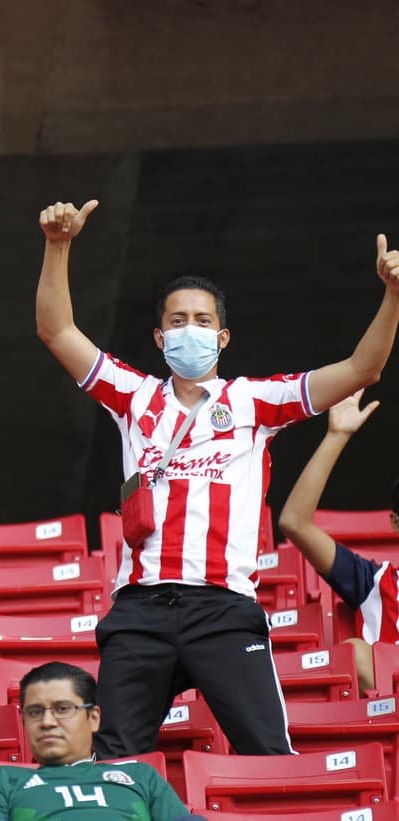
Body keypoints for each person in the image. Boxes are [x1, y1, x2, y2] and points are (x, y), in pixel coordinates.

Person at [35, 199, 399, 759]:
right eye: (177, 322)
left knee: (271, 758)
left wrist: (394, 297)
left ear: (223, 338)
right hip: (139, 610)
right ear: (159, 339)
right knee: (108, 763)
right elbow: (57, 329)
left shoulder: (256, 400)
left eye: (203, 322)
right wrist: (58, 246)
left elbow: (361, 370)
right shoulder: (133, 397)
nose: (190, 332)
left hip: (224, 608)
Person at [0, 662, 201, 821]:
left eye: (63, 709)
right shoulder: (0, 781)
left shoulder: (141, 776)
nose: (47, 722)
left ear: (94, 718)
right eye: (34, 712)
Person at [278, 389, 392, 690]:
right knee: (355, 651)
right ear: (395, 523)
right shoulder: (374, 582)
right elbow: (295, 523)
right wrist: (336, 435)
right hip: (387, 720)